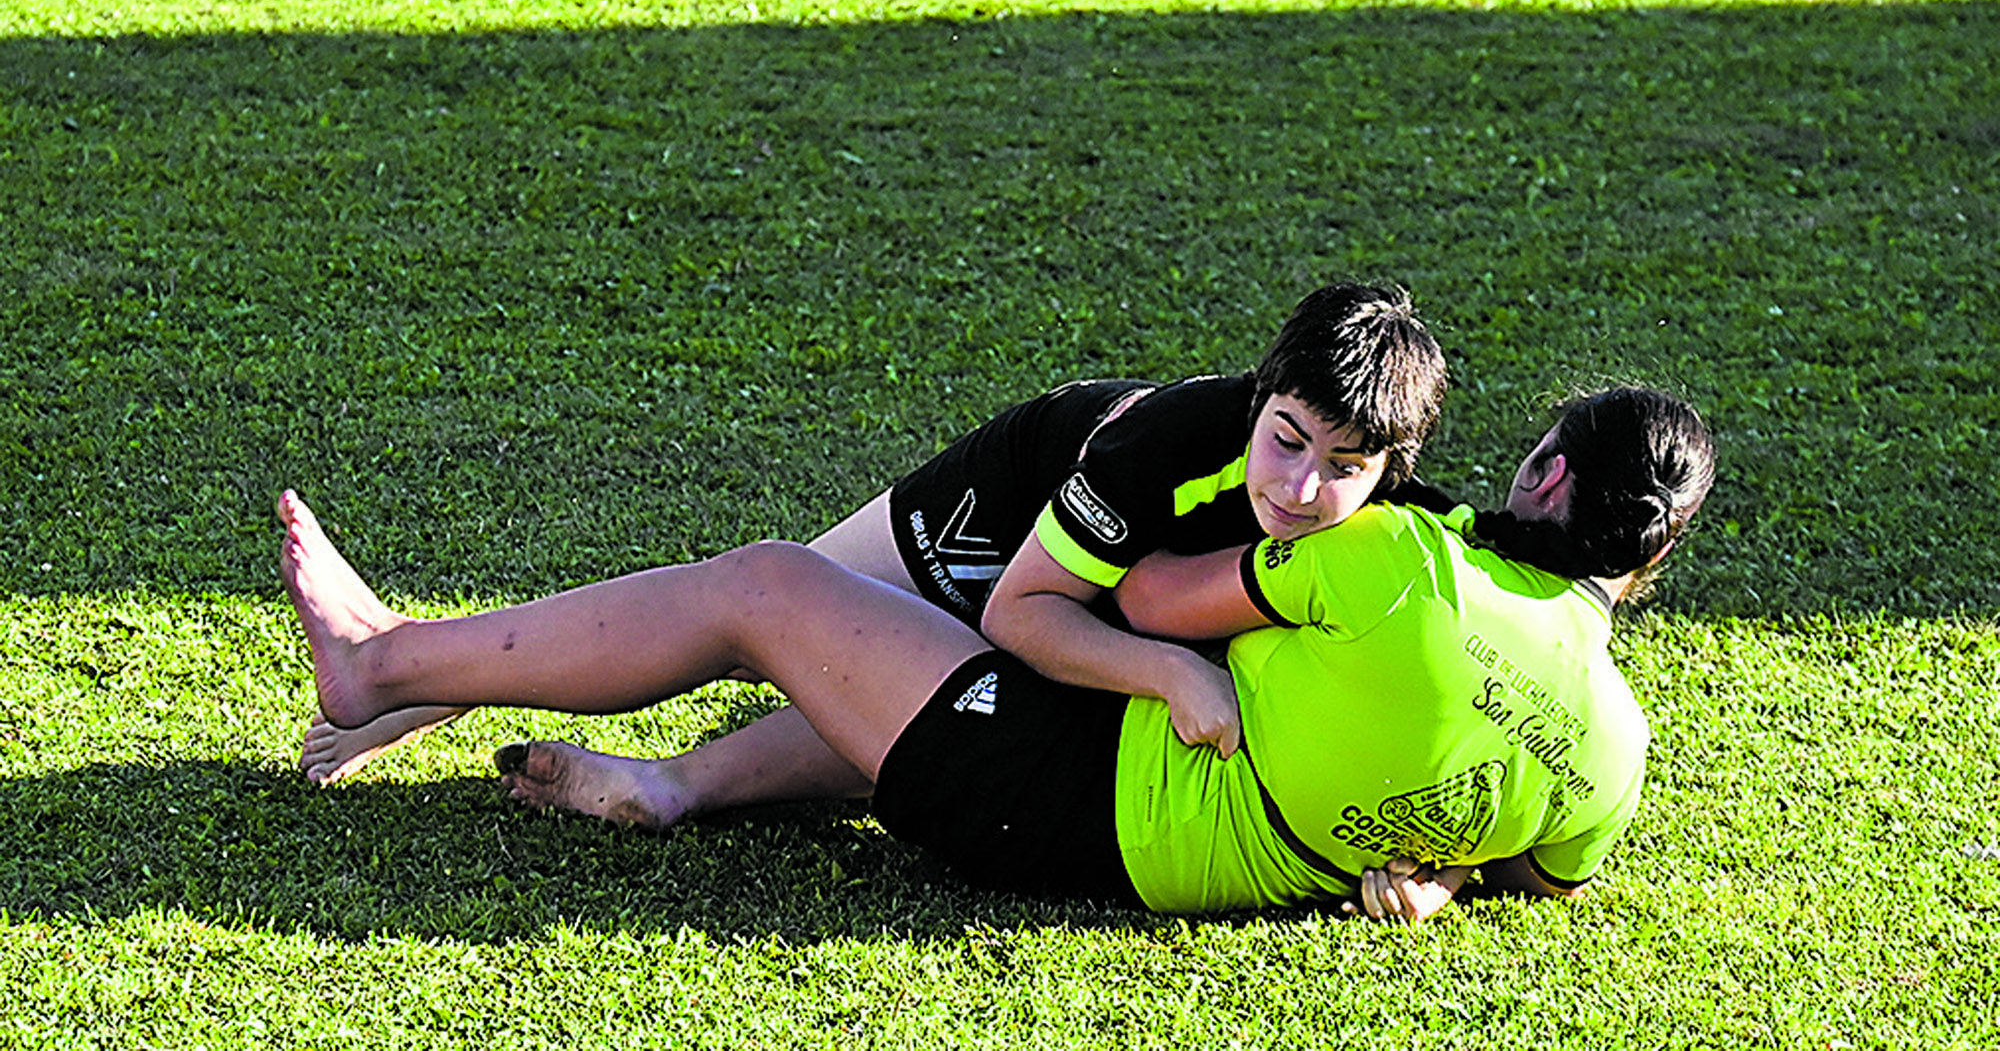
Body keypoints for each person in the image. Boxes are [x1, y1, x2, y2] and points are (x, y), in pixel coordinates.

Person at [280, 385, 1714, 918]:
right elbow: (1536, 864)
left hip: (1063, 795)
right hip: (1117, 817)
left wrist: (1173, 638)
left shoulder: (1404, 562)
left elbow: (1149, 605)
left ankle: (385, 666)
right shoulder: (1616, 747)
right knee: (916, 658)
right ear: (1652, 556)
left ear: (1538, 479)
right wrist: (1437, 870)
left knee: (772, 589)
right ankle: (679, 788)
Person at [302, 281, 1449, 793]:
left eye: (1342, 467)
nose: (1299, 486)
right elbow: (1020, 610)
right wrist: (1157, 666)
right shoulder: (1166, 440)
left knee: (916, 716)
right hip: (1003, 516)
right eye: (1285, 438)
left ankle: (668, 788)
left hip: (1105, 582)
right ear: (1259, 398)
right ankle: (411, 675)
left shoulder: (1401, 521)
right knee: (748, 608)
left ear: (1389, 468)